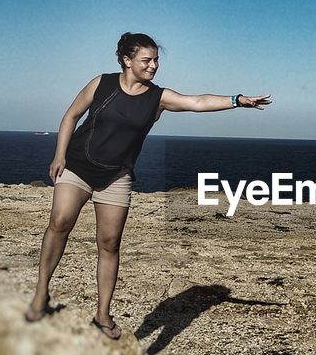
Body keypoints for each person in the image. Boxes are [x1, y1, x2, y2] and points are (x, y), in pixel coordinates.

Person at [26, 32, 271, 338]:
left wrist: (237, 100)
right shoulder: (101, 84)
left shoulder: (158, 97)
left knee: (109, 243)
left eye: (156, 60)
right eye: (147, 60)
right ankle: (40, 293)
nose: (154, 65)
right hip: (77, 166)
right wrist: (59, 155)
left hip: (117, 176)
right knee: (60, 222)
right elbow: (71, 116)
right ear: (127, 61)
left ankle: (102, 315)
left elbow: (196, 102)